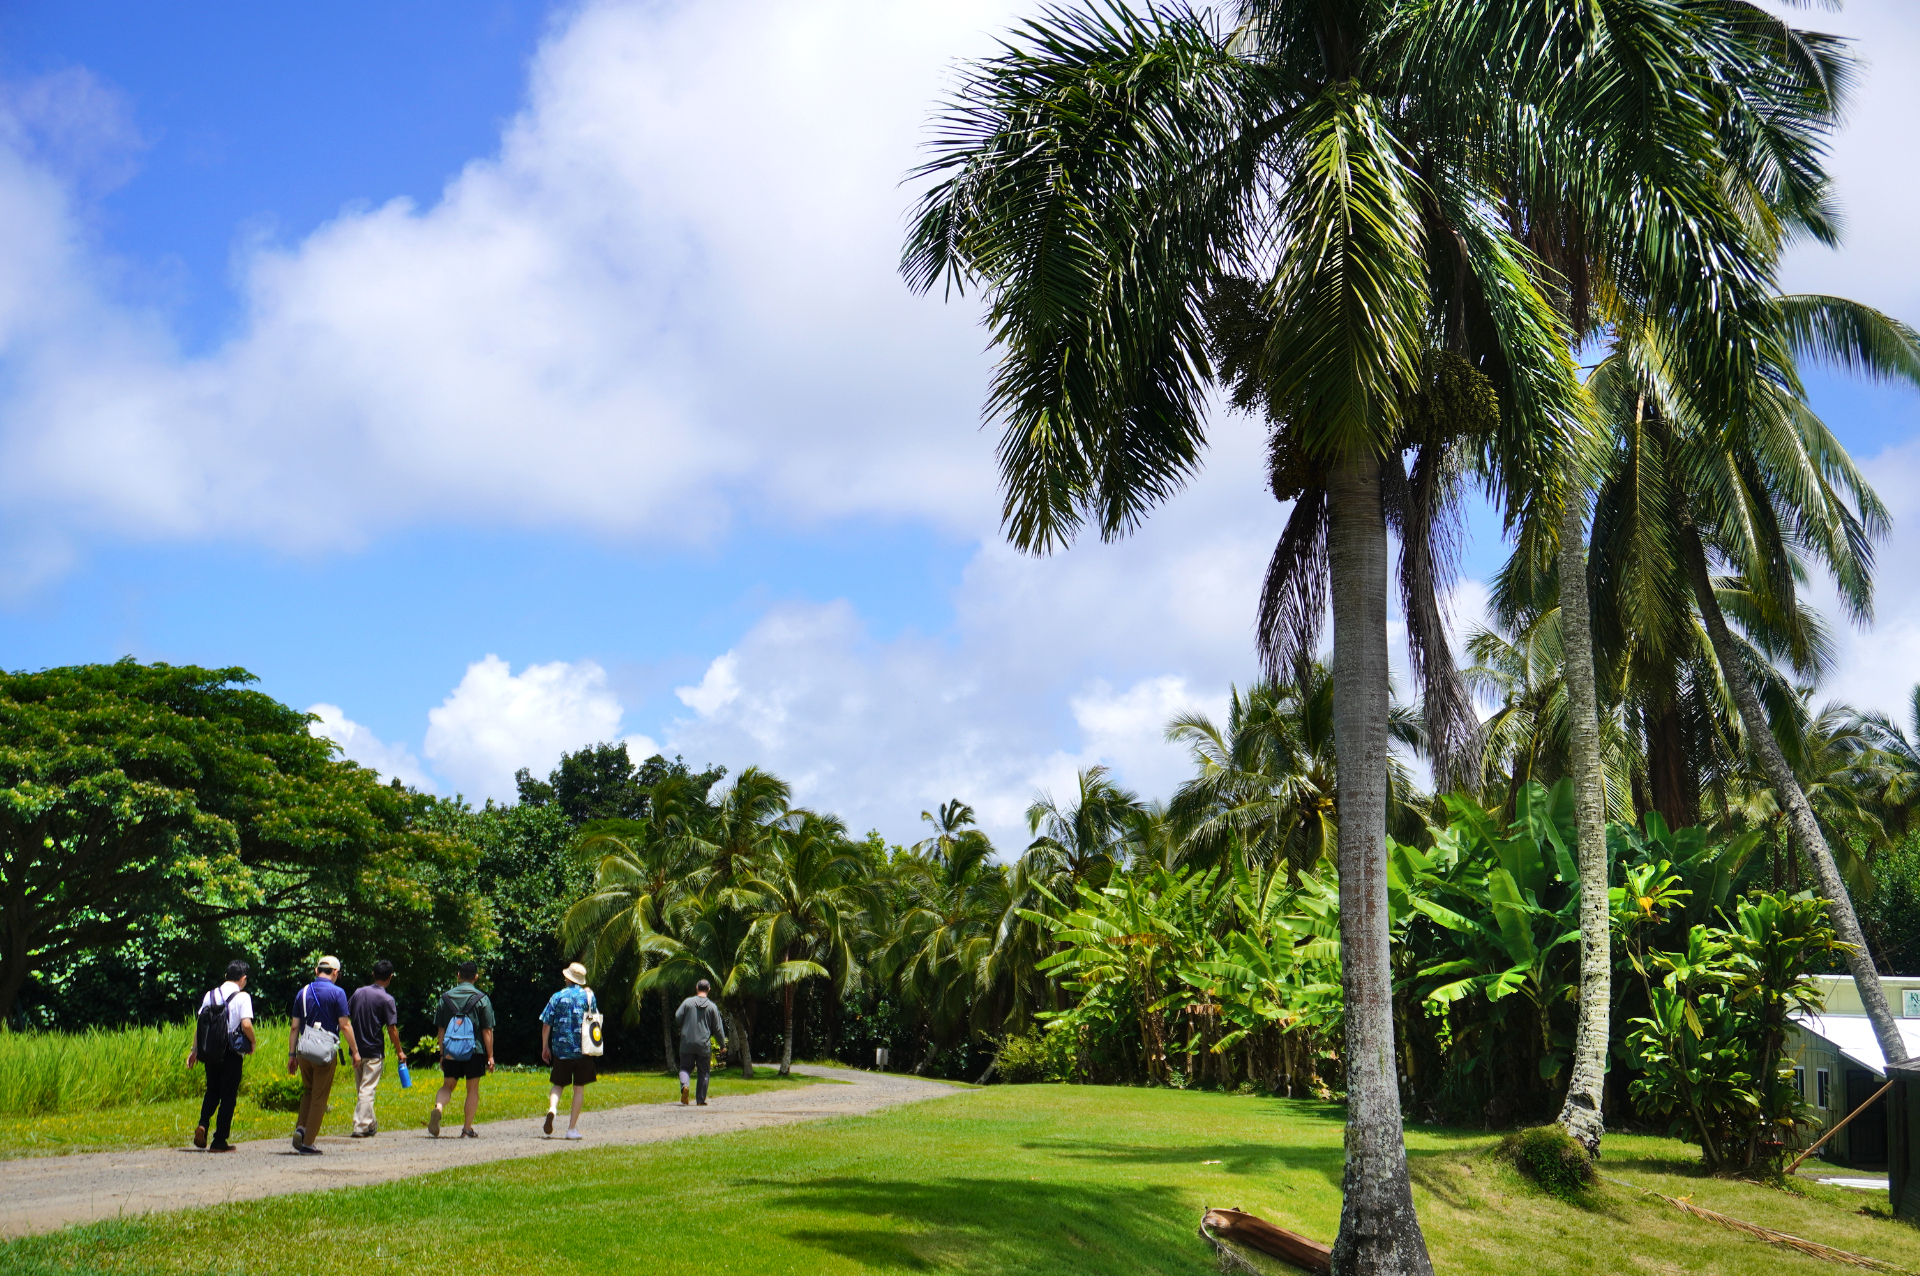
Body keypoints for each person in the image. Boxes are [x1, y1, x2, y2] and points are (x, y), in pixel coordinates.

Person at [287, 955, 359, 1155]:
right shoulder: (338, 993)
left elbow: (294, 1027)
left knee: (308, 1091)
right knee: (319, 1096)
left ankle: (301, 1128)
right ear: (335, 972)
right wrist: (355, 1051)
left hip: (304, 1050)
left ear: (316, 970)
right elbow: (344, 1025)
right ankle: (308, 1143)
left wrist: (292, 1055)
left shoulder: (302, 992)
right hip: (325, 1053)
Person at [187, 959, 256, 1153]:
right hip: (231, 1052)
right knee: (228, 1096)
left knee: (212, 1090)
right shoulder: (243, 997)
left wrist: (195, 1051)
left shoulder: (210, 995)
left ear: (226, 976)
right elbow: (246, 1025)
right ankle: (219, 1141)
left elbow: (200, 1025)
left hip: (210, 1050)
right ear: (243, 978)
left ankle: (202, 1124)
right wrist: (253, 1041)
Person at [429, 960, 495, 1138]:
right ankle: (467, 1129)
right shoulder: (482, 999)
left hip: (451, 1051)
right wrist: (490, 1055)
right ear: (476, 977)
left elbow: (441, 1029)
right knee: (472, 1089)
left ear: (458, 976)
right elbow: (487, 1031)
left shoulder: (445, 998)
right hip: (474, 1051)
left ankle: (439, 1107)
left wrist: (442, 1054)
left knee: (447, 1086)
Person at [348, 959, 407, 1138]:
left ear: (373, 975)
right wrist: (399, 1051)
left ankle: (371, 1124)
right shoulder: (387, 999)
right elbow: (392, 1029)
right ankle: (360, 1126)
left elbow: (346, 1017)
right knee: (367, 1090)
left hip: (356, 1050)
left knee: (362, 1090)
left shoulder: (358, 993)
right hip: (374, 1051)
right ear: (390, 977)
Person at [539, 962, 597, 1139]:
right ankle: (571, 1129)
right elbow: (594, 1019)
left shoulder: (556, 996)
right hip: (583, 1051)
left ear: (567, 977)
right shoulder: (588, 997)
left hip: (561, 1051)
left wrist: (545, 1047)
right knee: (578, 1089)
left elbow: (546, 1024)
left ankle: (552, 1109)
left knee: (558, 1085)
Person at [674, 979, 726, 1107]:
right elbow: (718, 1029)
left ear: (697, 988)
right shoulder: (712, 1007)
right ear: (709, 990)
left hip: (687, 1042)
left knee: (685, 1068)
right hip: (703, 1044)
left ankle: (685, 1086)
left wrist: (685, 1024)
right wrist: (722, 1045)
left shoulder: (687, 1002)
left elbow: (677, 1017)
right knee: (703, 1072)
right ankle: (700, 1100)